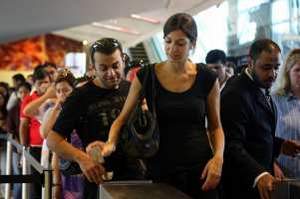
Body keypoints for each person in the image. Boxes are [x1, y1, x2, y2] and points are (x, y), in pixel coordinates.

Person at [100, 13, 224, 199]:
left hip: (200, 168)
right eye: (168, 41)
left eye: (180, 43)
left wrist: (218, 159)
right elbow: (121, 119)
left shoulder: (207, 77)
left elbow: (215, 127)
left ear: (193, 44)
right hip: (161, 168)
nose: (172, 49)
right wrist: (110, 142)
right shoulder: (146, 75)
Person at [47, 38, 142, 199]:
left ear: (123, 60)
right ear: (93, 67)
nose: (111, 73)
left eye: (115, 66)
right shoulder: (80, 96)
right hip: (100, 179)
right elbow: (53, 140)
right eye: (103, 68)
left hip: (137, 178)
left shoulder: (131, 89)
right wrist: (82, 158)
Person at [221, 39, 300, 199]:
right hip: (242, 186)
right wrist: (259, 174)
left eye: (276, 67)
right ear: (250, 62)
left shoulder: (260, 85)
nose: (272, 74)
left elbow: (254, 135)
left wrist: (280, 145)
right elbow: (231, 145)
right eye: (266, 67)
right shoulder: (235, 93)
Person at [40, 69, 84, 199]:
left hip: (84, 166)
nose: (62, 94)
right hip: (65, 167)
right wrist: (57, 106)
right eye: (58, 91)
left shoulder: (83, 109)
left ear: (74, 90)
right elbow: (45, 134)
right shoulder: (54, 112)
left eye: (65, 90)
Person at [19, 66, 51, 199]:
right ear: (34, 84)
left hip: (53, 147)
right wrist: (24, 147)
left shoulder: (56, 96)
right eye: (40, 83)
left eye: (46, 82)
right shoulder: (29, 99)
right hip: (36, 148)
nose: (43, 85)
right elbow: (24, 125)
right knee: (36, 183)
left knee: (51, 183)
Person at [271, 48, 300, 178]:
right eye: (298, 70)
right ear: (287, 72)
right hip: (282, 174)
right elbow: (264, 138)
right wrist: (271, 164)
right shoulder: (274, 100)